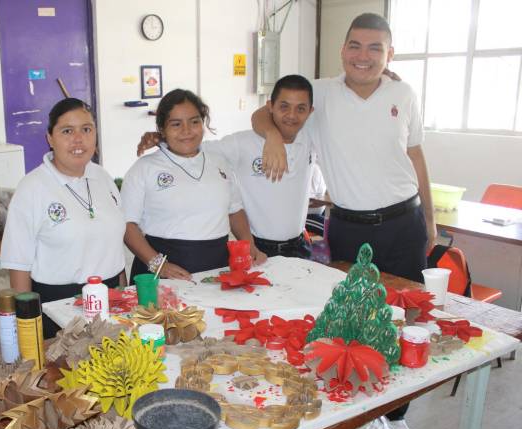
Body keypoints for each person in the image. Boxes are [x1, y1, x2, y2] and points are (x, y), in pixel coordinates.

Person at [253, 12, 436, 284]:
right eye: (355, 46)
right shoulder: (319, 93)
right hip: (348, 227)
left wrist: (430, 220)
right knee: (348, 314)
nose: (363, 56)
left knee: (406, 307)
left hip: (404, 224)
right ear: (343, 50)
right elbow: (263, 113)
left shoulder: (404, 93)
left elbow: (416, 155)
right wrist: (272, 137)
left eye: (375, 48)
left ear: (390, 54)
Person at [136, 76, 317, 259]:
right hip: (257, 247)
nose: (292, 115)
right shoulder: (242, 143)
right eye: (284, 106)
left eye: (300, 109)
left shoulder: (311, 139)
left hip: (300, 246)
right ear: (270, 106)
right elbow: (193, 147)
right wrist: (162, 138)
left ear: (310, 112)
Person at [0, 98, 126, 339]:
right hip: (58, 306)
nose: (78, 139)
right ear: (50, 138)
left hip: (110, 299)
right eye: (67, 131)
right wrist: (26, 330)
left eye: (86, 129)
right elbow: (19, 266)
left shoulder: (103, 177)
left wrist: (123, 294)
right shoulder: (32, 188)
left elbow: (114, 246)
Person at [122, 88, 265, 282]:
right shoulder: (144, 168)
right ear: (162, 129)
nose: (187, 131)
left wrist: (249, 244)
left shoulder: (219, 162)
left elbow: (235, 210)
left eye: (194, 122)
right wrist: (158, 265)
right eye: (176, 124)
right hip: (164, 272)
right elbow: (127, 226)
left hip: (217, 267)